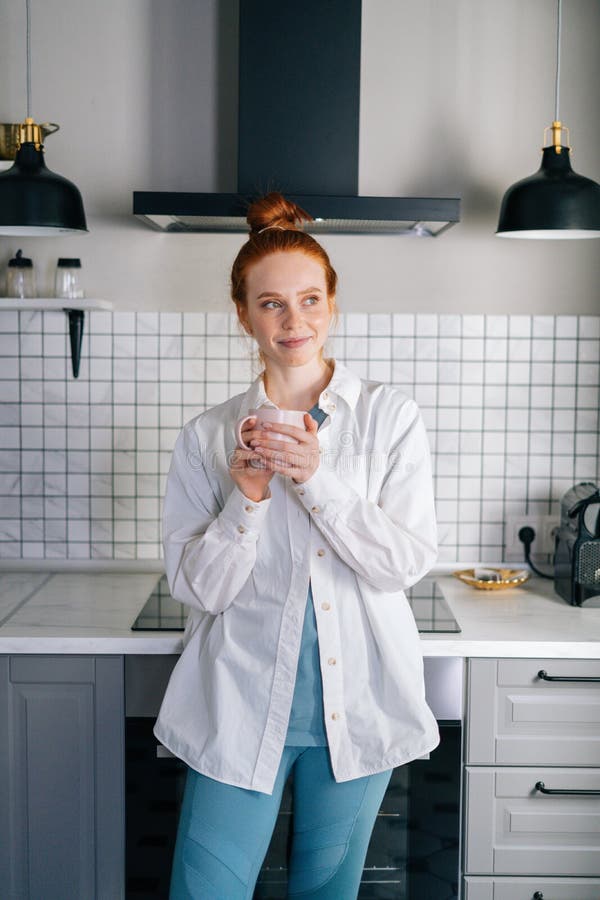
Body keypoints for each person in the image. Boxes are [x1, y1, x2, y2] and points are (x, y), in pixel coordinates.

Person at [154, 192, 439, 899]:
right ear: (243, 314)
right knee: (203, 892)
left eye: (309, 300)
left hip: (361, 708)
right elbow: (198, 589)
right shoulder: (208, 435)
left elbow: (403, 562)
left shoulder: (389, 418)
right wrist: (246, 502)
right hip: (237, 705)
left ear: (333, 304)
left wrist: (317, 479)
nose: (294, 321)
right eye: (272, 303)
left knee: (326, 894)